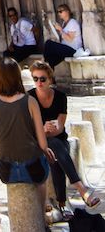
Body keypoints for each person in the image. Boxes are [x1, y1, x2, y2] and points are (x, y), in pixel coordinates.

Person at [27, 57, 101, 214]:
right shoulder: (29, 98)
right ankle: (81, 190)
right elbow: (27, 128)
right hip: (37, 141)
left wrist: (48, 130)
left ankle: (62, 203)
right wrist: (42, 128)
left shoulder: (60, 97)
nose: (39, 82)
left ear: (50, 79)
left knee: (55, 149)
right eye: (35, 79)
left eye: (42, 79)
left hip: (58, 140)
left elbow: (60, 128)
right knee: (54, 149)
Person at [0, 58, 54, 217]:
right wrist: (46, 150)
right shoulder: (30, 101)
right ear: (18, 76)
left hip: (6, 170)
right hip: (32, 167)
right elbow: (42, 141)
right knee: (42, 177)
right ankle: (42, 211)